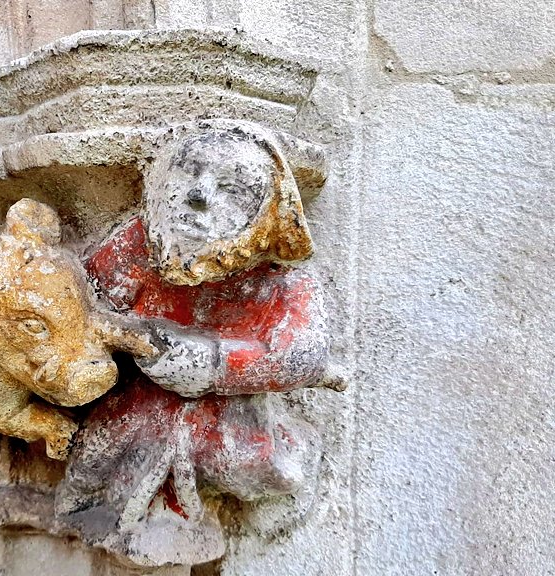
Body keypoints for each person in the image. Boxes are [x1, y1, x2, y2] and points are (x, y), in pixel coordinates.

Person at [55, 121, 346, 560]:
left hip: (232, 416)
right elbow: (83, 306)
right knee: (100, 452)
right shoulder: (137, 246)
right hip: (135, 400)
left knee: (237, 461)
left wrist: (211, 362)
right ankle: (100, 510)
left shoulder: (280, 278)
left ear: (266, 215)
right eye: (188, 172)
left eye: (232, 189)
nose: (198, 196)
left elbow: (301, 355)